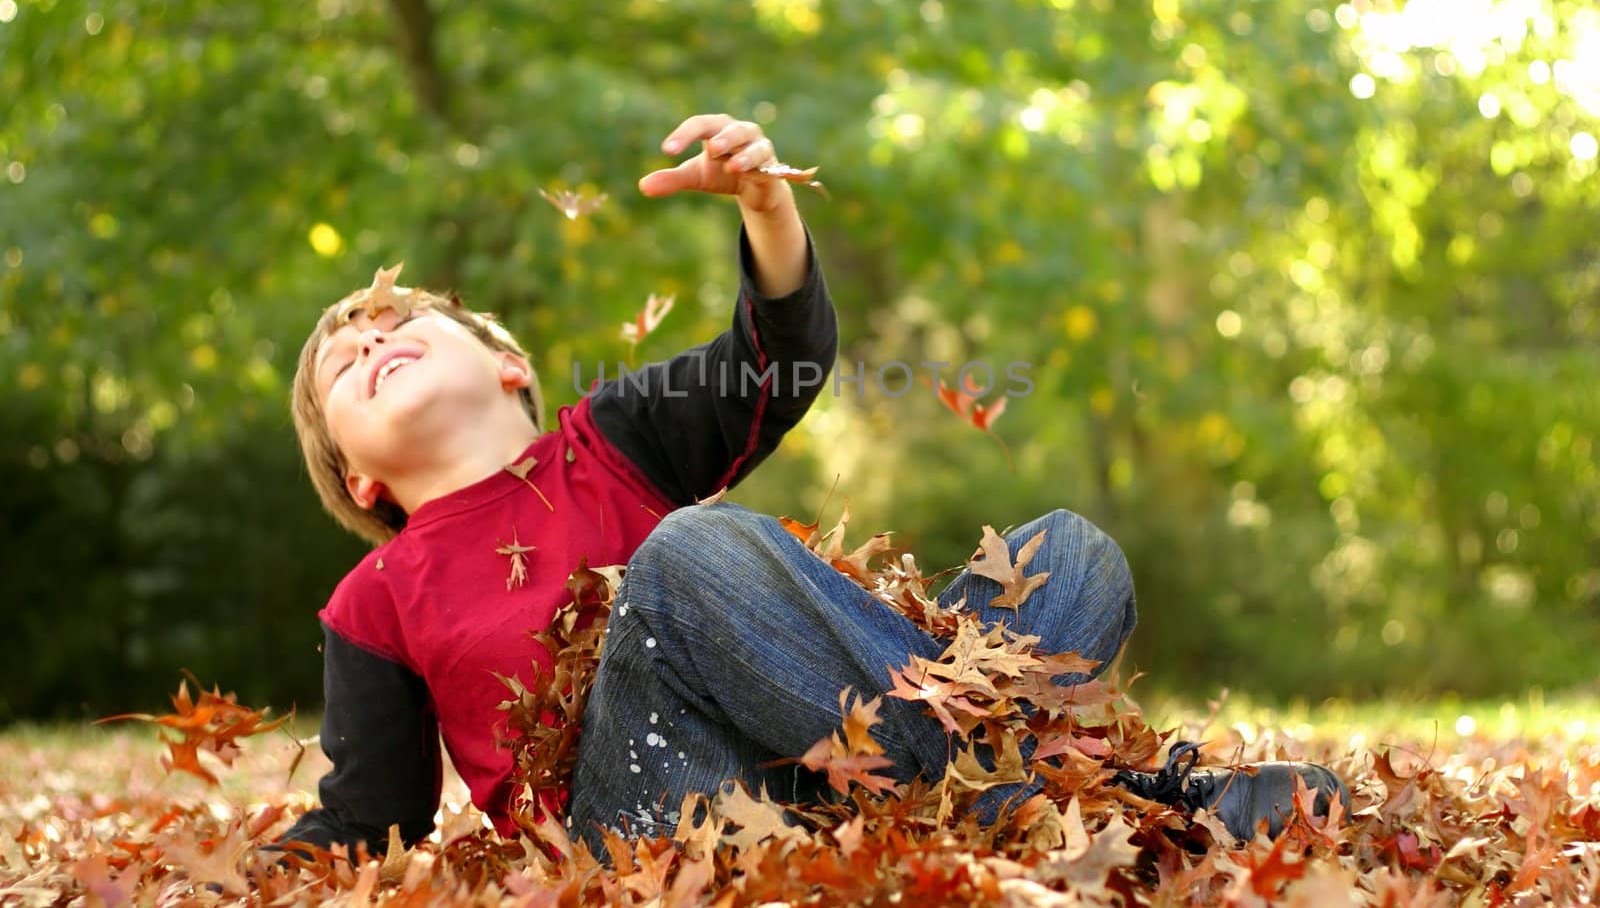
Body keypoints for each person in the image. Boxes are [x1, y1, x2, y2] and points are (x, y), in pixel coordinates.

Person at [274, 111, 1345, 859]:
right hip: (656, 823)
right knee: (688, 550)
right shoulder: (377, 597)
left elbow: (773, 359)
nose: (372, 337)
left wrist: (767, 217)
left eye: (397, 319)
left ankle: (981, 805)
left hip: (825, 775)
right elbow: (369, 823)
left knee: (1070, 550)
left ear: (506, 364)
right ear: (357, 471)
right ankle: (1086, 801)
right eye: (342, 362)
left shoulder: (610, 439)